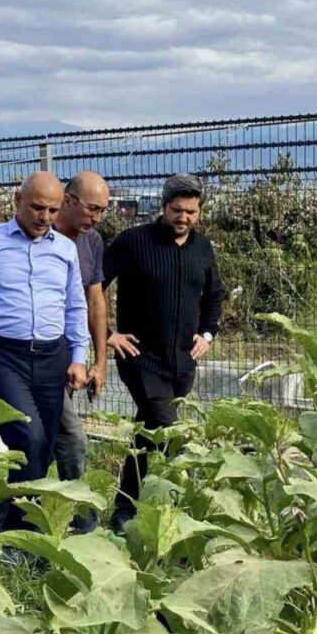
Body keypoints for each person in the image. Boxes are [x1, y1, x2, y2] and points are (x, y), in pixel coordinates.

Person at [0, 171, 89, 553]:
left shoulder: (65, 250)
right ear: (17, 200)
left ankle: (3, 523)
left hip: (49, 356)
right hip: (0, 355)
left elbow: (76, 305)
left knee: (40, 450)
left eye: (53, 210)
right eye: (37, 207)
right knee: (29, 437)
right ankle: (20, 547)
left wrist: (79, 356)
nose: (44, 216)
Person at [102, 173, 225, 533]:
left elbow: (214, 294)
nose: (183, 218)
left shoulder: (203, 248)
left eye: (190, 212)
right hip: (140, 358)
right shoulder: (133, 241)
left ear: (199, 212)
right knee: (170, 431)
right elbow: (92, 286)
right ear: (163, 206)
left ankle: (124, 511)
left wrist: (208, 332)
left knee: (148, 433)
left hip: (183, 361)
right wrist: (107, 335)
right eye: (176, 210)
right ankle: (181, 514)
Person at [50, 171, 111, 534]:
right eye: (92, 209)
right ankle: (85, 527)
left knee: (42, 443)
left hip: (69, 356)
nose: (97, 218)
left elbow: (95, 301)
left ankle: (4, 524)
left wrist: (99, 361)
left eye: (103, 211)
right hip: (38, 355)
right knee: (71, 438)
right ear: (69, 200)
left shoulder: (92, 242)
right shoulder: (41, 235)